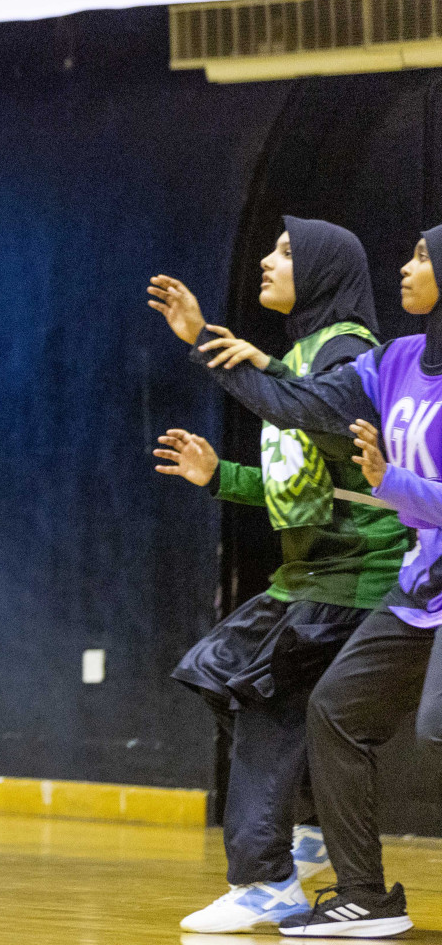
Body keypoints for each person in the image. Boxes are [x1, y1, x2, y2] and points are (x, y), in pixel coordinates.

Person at [152, 224, 442, 938]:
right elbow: (307, 455)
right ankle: (326, 858)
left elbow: (355, 481)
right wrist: (221, 471)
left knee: (289, 706)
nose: (403, 268)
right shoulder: (380, 356)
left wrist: (395, 481)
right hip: (376, 582)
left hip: (354, 576)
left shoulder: (345, 346)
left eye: (285, 252)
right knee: (281, 697)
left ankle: (274, 869)